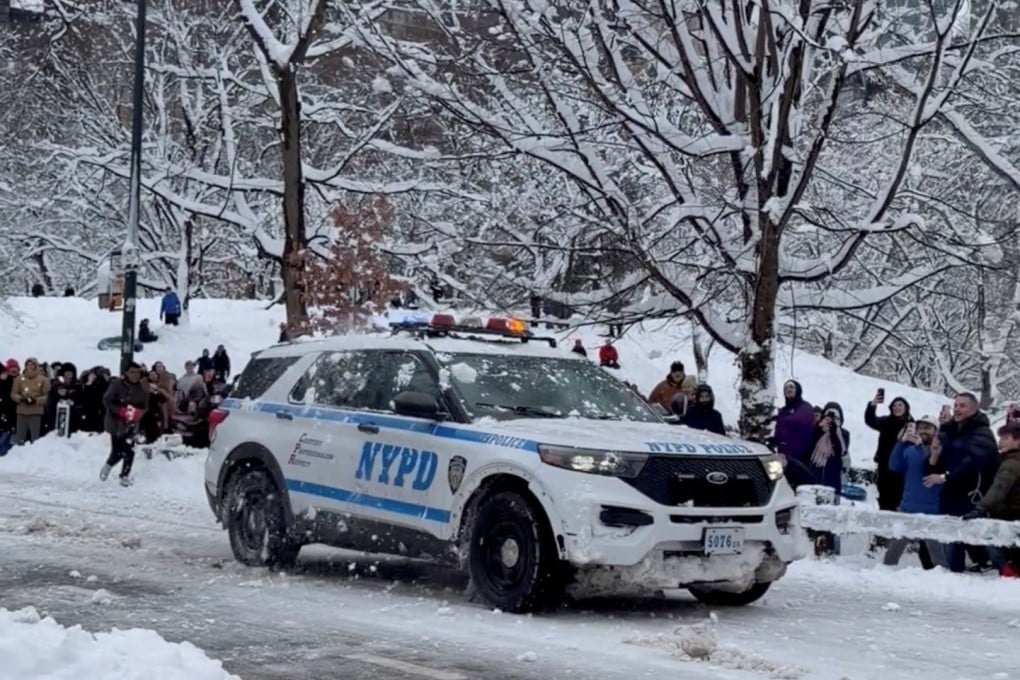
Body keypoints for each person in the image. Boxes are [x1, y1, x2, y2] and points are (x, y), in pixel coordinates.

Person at [923, 392, 999, 573]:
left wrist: (946, 476)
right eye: (955, 405)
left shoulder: (982, 432)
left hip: (971, 494)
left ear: (974, 409)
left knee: (965, 536)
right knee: (950, 535)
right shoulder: (949, 431)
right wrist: (934, 454)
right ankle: (953, 571)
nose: (957, 409)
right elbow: (937, 463)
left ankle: (966, 571)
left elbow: (973, 461)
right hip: (949, 493)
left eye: (962, 406)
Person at [883, 416, 945, 569]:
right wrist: (900, 443)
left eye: (928, 428)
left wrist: (918, 447)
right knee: (893, 552)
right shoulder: (910, 450)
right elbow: (894, 465)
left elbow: (928, 465)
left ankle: (944, 581)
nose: (923, 431)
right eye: (921, 427)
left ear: (936, 432)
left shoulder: (940, 450)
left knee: (938, 555)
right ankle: (884, 575)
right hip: (908, 507)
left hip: (933, 510)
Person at [963, 421, 1020, 577]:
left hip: (1009, 512)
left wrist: (981, 507)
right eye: (1000, 437)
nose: (1001, 441)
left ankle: (1009, 575)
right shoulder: (1008, 459)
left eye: (1006, 438)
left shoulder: (1011, 463)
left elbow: (999, 488)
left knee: (997, 545)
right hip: (1012, 511)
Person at [99, 362, 150, 486]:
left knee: (129, 449)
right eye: (132, 372)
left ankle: (124, 475)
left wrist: (140, 412)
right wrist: (119, 410)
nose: (135, 375)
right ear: (126, 373)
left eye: (137, 372)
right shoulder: (117, 385)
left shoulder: (142, 388)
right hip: (115, 423)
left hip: (131, 423)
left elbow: (145, 405)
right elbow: (106, 400)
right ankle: (108, 465)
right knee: (117, 450)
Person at [865, 391, 913, 511]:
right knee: (884, 496)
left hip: (902, 467)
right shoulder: (886, 421)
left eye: (900, 405)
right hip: (884, 465)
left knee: (899, 497)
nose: (897, 408)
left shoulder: (911, 425)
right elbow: (871, 421)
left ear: (906, 407)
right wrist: (872, 405)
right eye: (894, 405)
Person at [11, 357, 50, 445]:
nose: (30, 367)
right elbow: (13, 393)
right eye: (28, 364)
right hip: (22, 411)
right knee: (20, 438)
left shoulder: (43, 380)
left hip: (36, 411)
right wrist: (20, 398)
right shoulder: (19, 379)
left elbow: (47, 396)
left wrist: (36, 400)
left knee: (35, 438)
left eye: (32, 365)